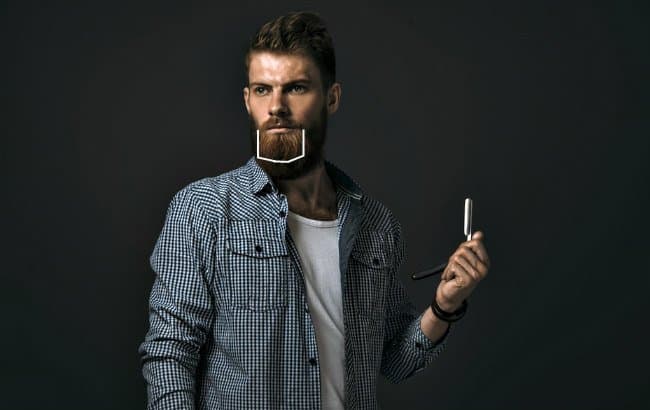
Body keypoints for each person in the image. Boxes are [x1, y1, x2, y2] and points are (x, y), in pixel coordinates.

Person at [138, 11, 490, 410]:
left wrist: (445, 305)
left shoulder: (376, 225)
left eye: (297, 88)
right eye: (262, 90)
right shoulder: (202, 210)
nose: (277, 107)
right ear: (247, 100)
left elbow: (395, 360)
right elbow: (170, 352)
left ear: (332, 98)